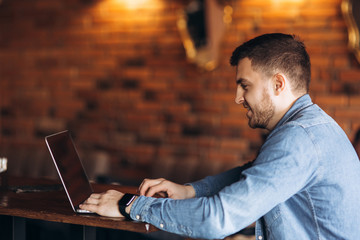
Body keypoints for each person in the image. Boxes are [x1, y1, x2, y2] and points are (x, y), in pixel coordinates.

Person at [80, 33, 360, 240]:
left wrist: (130, 205)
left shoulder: (298, 139)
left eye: (245, 86)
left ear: (278, 84)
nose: (237, 98)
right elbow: (253, 173)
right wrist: (190, 191)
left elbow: (219, 219)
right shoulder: (309, 127)